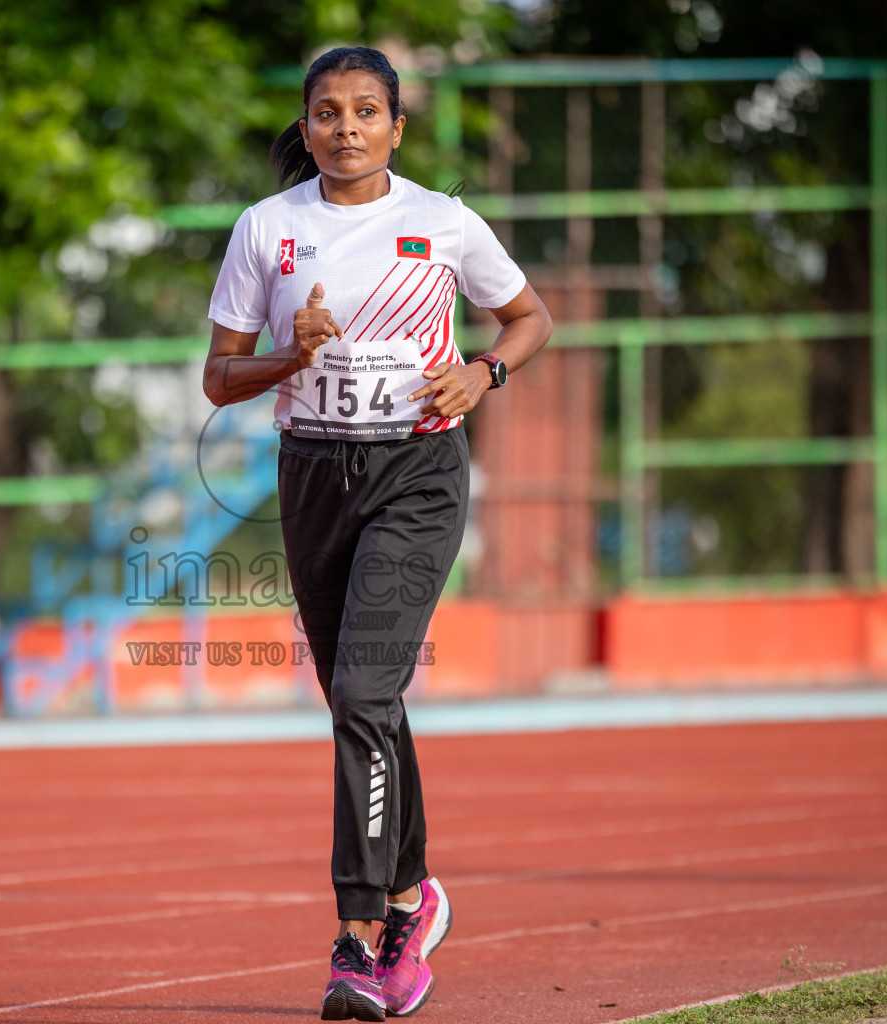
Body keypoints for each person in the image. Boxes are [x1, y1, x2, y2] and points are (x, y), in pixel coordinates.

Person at [203, 45, 552, 1021]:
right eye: (326, 112)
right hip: (313, 472)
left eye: (366, 111)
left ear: (397, 127)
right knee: (366, 699)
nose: (345, 128)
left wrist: (484, 374)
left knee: (363, 687)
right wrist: (287, 356)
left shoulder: (441, 222)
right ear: (305, 125)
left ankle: (360, 937)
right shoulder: (266, 230)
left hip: (417, 470)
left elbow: (528, 317)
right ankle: (416, 893)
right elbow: (217, 378)